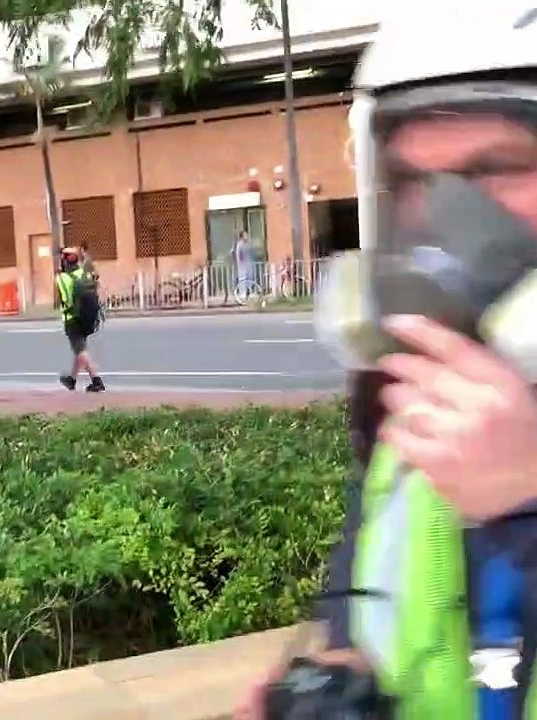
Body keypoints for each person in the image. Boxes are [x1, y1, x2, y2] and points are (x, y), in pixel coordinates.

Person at [239, 6, 537, 718]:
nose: (447, 218)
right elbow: (369, 578)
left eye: (494, 170)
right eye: (411, 179)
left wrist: (526, 506)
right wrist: (341, 667)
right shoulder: (414, 390)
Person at [56, 247, 105, 393]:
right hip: (88, 315)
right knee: (79, 348)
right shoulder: (84, 273)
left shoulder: (63, 278)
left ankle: (96, 380)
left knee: (81, 349)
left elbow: (66, 299)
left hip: (73, 318)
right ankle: (72, 379)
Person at [232, 230, 254, 295]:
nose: (247, 237)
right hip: (242, 265)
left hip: (248, 264)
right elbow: (238, 255)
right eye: (245, 235)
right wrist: (240, 263)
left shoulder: (247, 244)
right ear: (242, 237)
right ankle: (242, 293)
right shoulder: (239, 245)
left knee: (250, 278)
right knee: (243, 279)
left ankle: (250, 291)